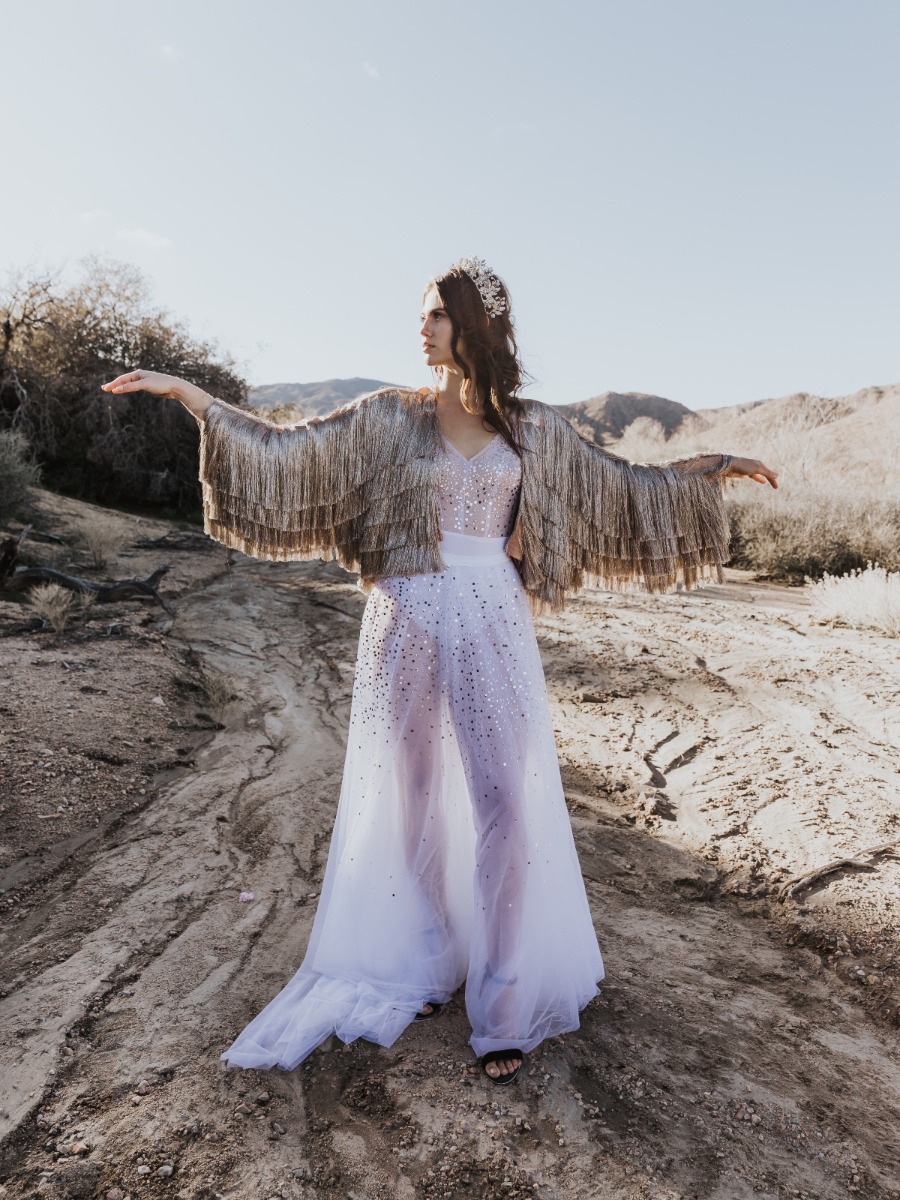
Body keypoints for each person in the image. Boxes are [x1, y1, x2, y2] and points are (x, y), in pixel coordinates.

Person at [103, 256, 777, 1085]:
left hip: (492, 613)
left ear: (474, 327)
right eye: (421, 315)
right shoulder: (388, 414)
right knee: (412, 798)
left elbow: (622, 486)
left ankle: (502, 1006)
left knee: (505, 805)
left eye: (435, 315)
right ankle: (423, 964)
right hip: (406, 615)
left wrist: (711, 468)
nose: (420, 328)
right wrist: (189, 396)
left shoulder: (533, 430)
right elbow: (284, 452)